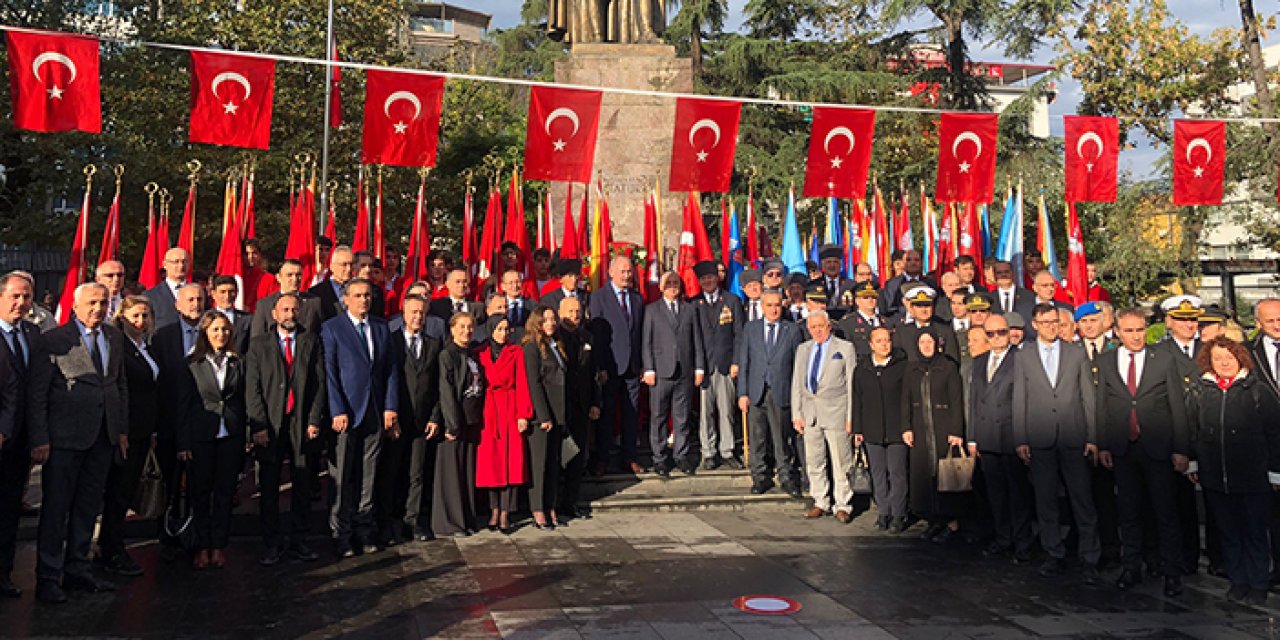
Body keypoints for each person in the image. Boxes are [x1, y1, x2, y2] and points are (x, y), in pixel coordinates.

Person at [30, 282, 127, 603]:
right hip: (64, 441)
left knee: (87, 508)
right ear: (75, 306)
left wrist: (120, 429)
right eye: (92, 303)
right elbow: (38, 395)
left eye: (104, 303)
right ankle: (47, 576)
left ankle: (77, 569)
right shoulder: (54, 341)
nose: (98, 308)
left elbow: (118, 386)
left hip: (103, 437)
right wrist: (40, 438)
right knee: (57, 509)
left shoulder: (114, 337)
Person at [1097, 308, 1190, 597]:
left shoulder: (1163, 359)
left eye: (1139, 330)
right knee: (1129, 511)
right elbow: (1103, 407)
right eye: (1129, 331)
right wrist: (1102, 444)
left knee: (1165, 512)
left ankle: (1171, 572)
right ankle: (1131, 567)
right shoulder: (1107, 362)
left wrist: (1181, 449)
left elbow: (1178, 406)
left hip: (1158, 446)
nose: (1135, 337)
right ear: (1117, 332)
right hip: (1124, 448)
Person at [1012, 303, 1101, 584]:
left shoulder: (1075, 353)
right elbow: (1019, 398)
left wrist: (1093, 437)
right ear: (1035, 324)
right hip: (1040, 437)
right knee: (1045, 499)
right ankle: (1054, 552)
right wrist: (1021, 438)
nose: (1052, 326)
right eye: (1046, 322)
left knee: (1082, 499)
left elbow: (1088, 396)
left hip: (1073, 436)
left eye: (1056, 322)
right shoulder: (1024, 355)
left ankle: (1090, 556)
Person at [1188, 337, 1280, 605]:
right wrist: (1194, 462)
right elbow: (1193, 430)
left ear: (1240, 358)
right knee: (1229, 532)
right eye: (1218, 358)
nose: (1224, 363)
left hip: (1253, 475)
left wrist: (1276, 471)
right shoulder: (1202, 390)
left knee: (1254, 531)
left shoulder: (1258, 391)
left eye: (1229, 357)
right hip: (1216, 475)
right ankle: (1238, 581)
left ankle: (1258, 582)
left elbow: (1275, 433)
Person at [321, 278, 400, 558]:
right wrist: (336, 409)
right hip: (346, 413)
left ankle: (364, 530)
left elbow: (390, 369)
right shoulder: (332, 328)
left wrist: (391, 406)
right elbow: (330, 372)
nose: (363, 300)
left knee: (369, 475)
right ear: (345, 299)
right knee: (342, 475)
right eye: (357, 296)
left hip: (375, 412)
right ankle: (341, 534)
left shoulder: (381, 327)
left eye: (367, 295)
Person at [245, 293, 326, 566]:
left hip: (301, 422)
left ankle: (299, 540)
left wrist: (314, 420)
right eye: (285, 310)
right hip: (270, 424)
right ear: (274, 314)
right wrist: (258, 424)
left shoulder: (311, 342)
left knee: (302, 483)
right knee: (269, 486)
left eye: (294, 310)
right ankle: (271, 542)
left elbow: (319, 384)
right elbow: (252, 388)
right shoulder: (258, 346)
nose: (290, 314)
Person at [174, 311, 245, 570]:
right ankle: (201, 545)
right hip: (201, 437)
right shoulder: (192, 363)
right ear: (205, 332)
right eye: (215, 329)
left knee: (225, 493)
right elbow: (183, 406)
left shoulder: (237, 362)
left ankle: (218, 545)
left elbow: (242, 400)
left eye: (225, 330)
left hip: (231, 436)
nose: (221, 335)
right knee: (200, 493)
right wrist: (183, 444)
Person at [94, 296, 158, 578]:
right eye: (134, 316)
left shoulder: (146, 346)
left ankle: (112, 545)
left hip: (145, 430)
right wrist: (121, 429)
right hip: (125, 431)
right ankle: (111, 549)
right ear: (122, 317)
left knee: (127, 489)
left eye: (145, 316)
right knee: (118, 493)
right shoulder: (118, 346)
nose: (140, 321)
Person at [969, 314, 1034, 564]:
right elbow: (974, 400)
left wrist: (1023, 438)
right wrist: (973, 438)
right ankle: (1003, 537)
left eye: (1001, 332)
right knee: (995, 493)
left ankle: (1022, 542)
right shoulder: (979, 361)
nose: (996, 338)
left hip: (1011, 436)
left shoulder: (1021, 359)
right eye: (991, 333)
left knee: (1018, 493)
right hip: (987, 437)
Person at [1157, 295, 1211, 578]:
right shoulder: (1160, 353)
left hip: (1210, 437)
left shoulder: (1210, 350)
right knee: (1177, 505)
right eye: (1182, 320)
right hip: (1176, 437)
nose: (1189, 325)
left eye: (1192, 319)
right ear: (1169, 322)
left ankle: (1217, 559)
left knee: (1215, 505)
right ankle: (1180, 559)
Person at [149, 282, 204, 559]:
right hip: (169, 422)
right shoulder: (163, 337)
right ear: (177, 305)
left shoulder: (214, 333)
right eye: (190, 299)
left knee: (199, 485)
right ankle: (166, 535)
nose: (195, 304)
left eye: (199, 299)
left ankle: (196, 537)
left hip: (203, 422)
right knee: (169, 484)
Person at [737, 289, 805, 497]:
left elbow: (797, 365)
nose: (773, 309)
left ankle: (786, 476)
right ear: (761, 307)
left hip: (781, 391)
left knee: (781, 438)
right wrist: (742, 393)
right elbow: (744, 362)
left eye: (777, 305)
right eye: (769, 305)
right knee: (757, 438)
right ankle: (760, 477)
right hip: (756, 391)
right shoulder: (751, 329)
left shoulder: (792, 330)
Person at [386, 294, 442, 543]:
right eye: (413, 312)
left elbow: (437, 385)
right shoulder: (391, 342)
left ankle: (412, 520)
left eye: (421, 312)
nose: (418, 317)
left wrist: (434, 417)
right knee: (391, 470)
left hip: (422, 420)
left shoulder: (433, 344)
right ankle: (386, 522)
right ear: (403, 313)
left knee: (416, 472)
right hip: (397, 418)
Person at [791, 312, 857, 523]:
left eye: (821, 326)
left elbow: (851, 385)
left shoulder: (844, 348)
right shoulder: (804, 349)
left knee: (841, 461)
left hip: (837, 412)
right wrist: (797, 413)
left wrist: (851, 416)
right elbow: (797, 383)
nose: (817, 331)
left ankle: (843, 504)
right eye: (813, 327)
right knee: (814, 460)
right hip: (810, 413)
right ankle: (820, 501)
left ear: (829, 326)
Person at [902, 328, 966, 543]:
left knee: (946, 476)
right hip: (920, 430)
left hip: (943, 428)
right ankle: (932, 519)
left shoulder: (947, 367)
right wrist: (906, 427)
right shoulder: (912, 369)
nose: (926, 346)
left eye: (930, 342)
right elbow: (906, 401)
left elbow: (956, 401)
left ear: (937, 344)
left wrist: (956, 430)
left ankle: (951, 521)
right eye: (922, 343)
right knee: (924, 476)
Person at [642, 273, 704, 477]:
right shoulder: (652, 310)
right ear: (660, 287)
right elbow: (647, 342)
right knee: (658, 416)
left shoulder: (689, 309)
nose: (672, 287)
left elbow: (697, 340)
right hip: (660, 372)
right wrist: (649, 369)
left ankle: (681, 455)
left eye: (675, 283)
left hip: (684, 372)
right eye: (668, 284)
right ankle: (659, 458)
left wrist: (699, 368)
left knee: (682, 416)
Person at [588, 255, 645, 475]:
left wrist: (641, 364)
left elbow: (639, 333)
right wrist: (600, 367)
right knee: (607, 413)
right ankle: (602, 458)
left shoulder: (637, 299)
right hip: (609, 367)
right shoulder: (599, 298)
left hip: (632, 366)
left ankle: (629, 457)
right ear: (611, 272)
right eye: (622, 271)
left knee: (632, 414)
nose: (626, 275)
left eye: (629, 271)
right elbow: (597, 335)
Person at [475, 315, 532, 533]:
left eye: (506, 329)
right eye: (499, 328)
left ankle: (506, 512)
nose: (503, 333)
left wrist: (523, 414)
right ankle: (493, 511)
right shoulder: (480, 352)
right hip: (489, 411)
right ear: (490, 330)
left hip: (509, 407)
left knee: (510, 463)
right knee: (492, 465)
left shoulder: (516, 352)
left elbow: (523, 383)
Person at [0, 272, 37, 598]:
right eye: (15, 296)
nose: (21, 303)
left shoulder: (32, 333)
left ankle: (3, 574)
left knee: (9, 510)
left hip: (20, 442)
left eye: (26, 297)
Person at [851, 326, 909, 533]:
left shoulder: (902, 366)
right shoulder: (862, 369)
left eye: (887, 340)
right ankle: (883, 511)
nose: (884, 344)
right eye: (879, 341)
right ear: (871, 344)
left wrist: (907, 426)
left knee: (897, 472)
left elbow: (907, 399)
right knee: (877, 473)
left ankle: (898, 513)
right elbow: (857, 399)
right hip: (872, 428)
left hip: (896, 429)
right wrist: (857, 428)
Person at [693, 259, 745, 471]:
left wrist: (736, 361)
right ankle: (708, 452)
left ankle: (727, 450)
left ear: (718, 277)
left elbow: (739, 334)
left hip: (726, 364)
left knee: (726, 410)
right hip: (703, 365)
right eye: (703, 278)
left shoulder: (731, 301)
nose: (708, 281)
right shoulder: (693, 303)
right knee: (705, 413)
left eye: (711, 277)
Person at [434, 313, 482, 537]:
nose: (466, 331)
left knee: (466, 473)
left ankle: (467, 519)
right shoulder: (447, 354)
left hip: (471, 421)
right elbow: (446, 391)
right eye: (462, 327)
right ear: (452, 329)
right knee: (452, 474)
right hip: (455, 423)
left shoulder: (471, 354)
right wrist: (452, 425)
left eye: (470, 327)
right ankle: (451, 522)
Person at [523, 306, 571, 527]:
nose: (551, 323)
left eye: (553, 319)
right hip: (543, 416)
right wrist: (543, 415)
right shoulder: (531, 348)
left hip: (559, 413)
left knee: (554, 463)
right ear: (538, 323)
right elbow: (534, 383)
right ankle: (537, 509)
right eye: (547, 320)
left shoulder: (556, 345)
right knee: (539, 465)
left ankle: (551, 506)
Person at [555, 297, 600, 519]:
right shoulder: (554, 338)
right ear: (560, 313)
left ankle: (570, 502)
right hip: (560, 405)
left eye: (578, 311)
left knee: (577, 456)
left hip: (582, 404)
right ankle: (553, 502)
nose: (575, 315)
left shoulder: (586, 338)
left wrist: (594, 403)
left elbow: (593, 374)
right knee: (558, 456)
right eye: (570, 311)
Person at [1248, 298, 1280, 586]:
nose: (1278, 325)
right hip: (1267, 442)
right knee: (1272, 510)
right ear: (1258, 324)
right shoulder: (1248, 354)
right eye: (1271, 321)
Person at [251, 259, 321, 337]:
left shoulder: (314, 302)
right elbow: (257, 338)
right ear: (278, 277)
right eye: (289, 275)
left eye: (298, 275)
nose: (295, 279)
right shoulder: (264, 305)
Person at [891, 285, 960, 363]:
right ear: (911, 308)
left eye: (927, 305)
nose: (924, 310)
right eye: (919, 306)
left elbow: (953, 360)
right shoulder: (902, 332)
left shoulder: (945, 330)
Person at [878, 249, 933, 321]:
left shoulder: (930, 283)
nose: (913, 263)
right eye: (908, 260)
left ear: (921, 263)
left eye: (916, 260)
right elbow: (890, 309)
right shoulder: (892, 284)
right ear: (903, 263)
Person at [145, 248, 190, 329]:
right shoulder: (150, 296)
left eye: (184, 261)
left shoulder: (199, 293)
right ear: (165, 264)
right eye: (176, 262)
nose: (181, 266)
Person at [309, 246, 356, 323]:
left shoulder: (361, 290)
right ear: (332, 266)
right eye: (344, 264)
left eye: (351, 264)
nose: (349, 269)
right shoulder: (316, 293)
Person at [836, 281, 883, 357]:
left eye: (873, 297)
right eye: (865, 298)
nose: (870, 300)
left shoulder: (887, 322)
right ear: (857, 301)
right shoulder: (848, 323)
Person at [209, 275, 252, 353]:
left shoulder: (248, 319)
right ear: (213, 294)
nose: (227, 296)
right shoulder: (205, 318)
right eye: (223, 292)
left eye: (231, 291)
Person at [499, 270, 535, 340]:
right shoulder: (498, 305)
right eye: (511, 283)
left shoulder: (533, 305)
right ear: (503, 286)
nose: (515, 286)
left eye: (517, 282)